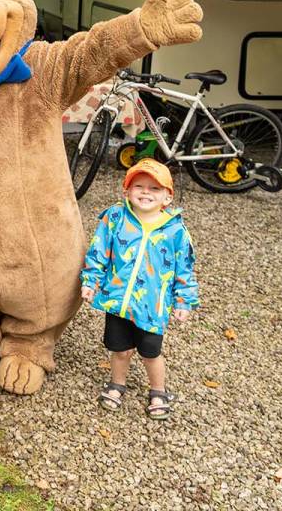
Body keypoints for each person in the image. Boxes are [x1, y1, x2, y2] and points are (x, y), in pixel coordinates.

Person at [79, 158, 198, 420]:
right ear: (127, 192)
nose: (146, 192)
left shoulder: (175, 231)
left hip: (152, 308)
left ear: (167, 197)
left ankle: (158, 390)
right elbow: (99, 252)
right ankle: (117, 384)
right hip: (118, 302)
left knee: (150, 353)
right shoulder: (115, 219)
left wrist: (183, 301)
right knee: (119, 349)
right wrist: (90, 282)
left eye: (155, 189)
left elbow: (184, 269)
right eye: (139, 186)